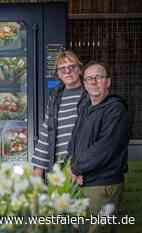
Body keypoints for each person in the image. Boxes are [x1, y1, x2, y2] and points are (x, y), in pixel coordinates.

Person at [69, 61, 129, 233]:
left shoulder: (115, 109)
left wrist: (76, 167)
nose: (93, 82)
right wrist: (73, 167)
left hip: (102, 186)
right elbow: (74, 141)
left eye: (98, 77)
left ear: (108, 82)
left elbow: (105, 147)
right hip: (81, 183)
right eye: (88, 79)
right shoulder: (86, 108)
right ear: (85, 84)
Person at [31, 50, 86, 178]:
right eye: (62, 69)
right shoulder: (55, 97)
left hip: (82, 170)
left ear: (80, 69)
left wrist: (81, 167)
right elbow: (46, 133)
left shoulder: (88, 94)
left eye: (71, 67)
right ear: (58, 75)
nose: (67, 71)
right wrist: (38, 170)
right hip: (58, 170)